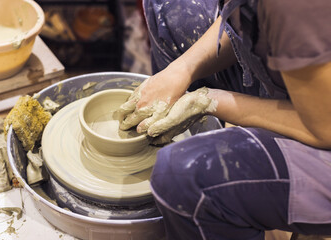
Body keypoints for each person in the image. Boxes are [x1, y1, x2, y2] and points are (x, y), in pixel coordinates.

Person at [118, 0, 331, 239]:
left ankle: (214, 205)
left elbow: (324, 129)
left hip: (324, 129)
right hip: (303, 73)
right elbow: (248, 16)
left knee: (186, 177)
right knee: (170, 9)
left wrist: (209, 101)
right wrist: (182, 69)